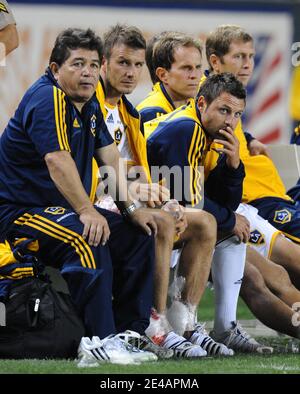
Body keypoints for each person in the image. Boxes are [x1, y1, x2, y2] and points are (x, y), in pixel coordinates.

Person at [0, 28, 161, 365]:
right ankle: (97, 340)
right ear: (56, 68)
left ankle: (128, 334)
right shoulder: (48, 98)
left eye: (91, 64)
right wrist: (87, 210)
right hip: (17, 212)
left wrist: (132, 209)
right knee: (86, 235)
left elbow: (109, 160)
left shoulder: (88, 105)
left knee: (137, 234)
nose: (87, 72)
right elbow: (56, 160)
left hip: (56, 210)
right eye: (77, 64)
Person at [96, 24, 231, 357]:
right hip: (100, 201)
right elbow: (92, 172)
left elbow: (134, 169)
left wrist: (158, 193)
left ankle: (185, 322)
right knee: (168, 221)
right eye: (123, 63)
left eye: (136, 64)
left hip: (123, 195)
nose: (131, 72)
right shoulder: (96, 107)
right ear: (103, 63)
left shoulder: (127, 111)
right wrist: (142, 189)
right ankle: (156, 325)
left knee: (204, 223)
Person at [203, 24, 300, 339]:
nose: (247, 64)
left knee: (275, 274)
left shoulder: (228, 100)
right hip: (247, 205)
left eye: (251, 56)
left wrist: (250, 139)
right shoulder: (208, 102)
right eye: (239, 56)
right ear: (216, 62)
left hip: (256, 203)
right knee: (274, 274)